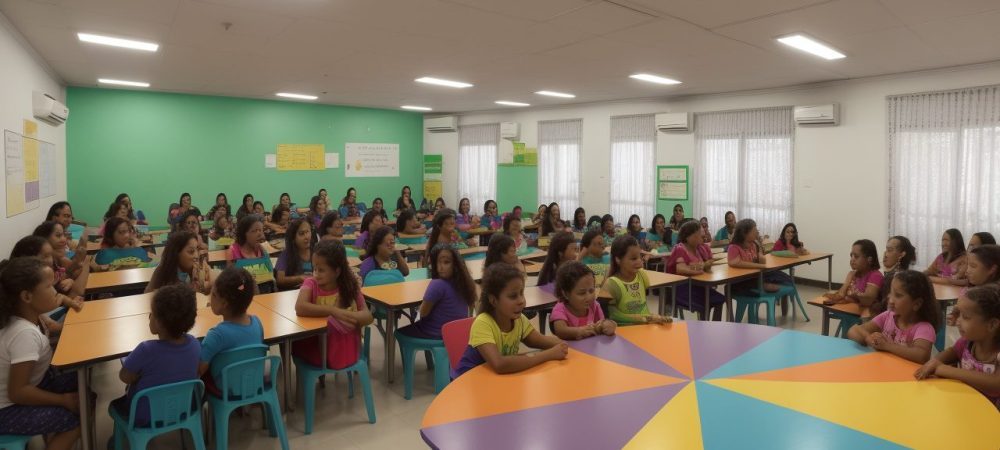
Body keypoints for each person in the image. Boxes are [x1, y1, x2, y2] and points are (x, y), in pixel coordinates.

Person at [0, 258, 82, 450]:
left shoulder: (31, 317)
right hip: (6, 409)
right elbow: (18, 392)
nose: (55, 291)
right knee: (75, 418)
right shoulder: (23, 334)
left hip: (34, 383)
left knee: (84, 390)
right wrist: (63, 400)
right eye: (49, 286)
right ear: (27, 297)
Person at [451, 263, 568, 378]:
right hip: (468, 381)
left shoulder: (519, 320)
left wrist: (562, 345)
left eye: (522, 293)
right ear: (493, 301)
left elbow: (540, 340)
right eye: (513, 296)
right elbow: (500, 365)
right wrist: (548, 355)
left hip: (494, 381)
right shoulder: (483, 323)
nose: (521, 300)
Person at [112, 284, 200, 426]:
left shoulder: (145, 350)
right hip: (182, 409)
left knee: (117, 405)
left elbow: (124, 377)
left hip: (144, 417)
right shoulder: (195, 345)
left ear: (159, 323)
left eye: (151, 313)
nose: (149, 316)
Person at [915, 284, 1000, 409]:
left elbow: (995, 385)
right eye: (959, 315)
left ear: (992, 325)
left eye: (965, 317)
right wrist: (935, 362)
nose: (958, 321)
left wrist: (944, 369)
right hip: (962, 405)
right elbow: (951, 352)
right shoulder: (967, 342)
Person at [293, 240, 373, 369]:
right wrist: (333, 311)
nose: (316, 274)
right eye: (314, 269)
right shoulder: (311, 283)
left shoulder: (349, 286)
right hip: (328, 348)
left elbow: (368, 317)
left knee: (295, 345)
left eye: (321, 270)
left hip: (338, 351)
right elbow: (300, 307)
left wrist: (344, 316)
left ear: (337, 271)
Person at [848, 270, 939, 363]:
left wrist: (886, 346)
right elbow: (853, 330)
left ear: (917, 304)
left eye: (898, 295)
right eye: (891, 293)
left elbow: (922, 355)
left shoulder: (924, 328)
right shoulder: (888, 316)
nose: (891, 300)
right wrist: (868, 338)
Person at [198, 267, 264, 394]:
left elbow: (200, 369)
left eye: (214, 295)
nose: (210, 298)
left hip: (225, 388)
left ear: (224, 303)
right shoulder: (257, 323)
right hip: (252, 381)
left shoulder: (217, 335)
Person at [397, 245, 477, 339]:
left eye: (446, 262)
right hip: (456, 334)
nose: (440, 267)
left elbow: (423, 313)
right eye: (437, 262)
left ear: (456, 264)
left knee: (399, 332)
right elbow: (470, 312)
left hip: (436, 333)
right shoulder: (465, 283)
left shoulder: (437, 284)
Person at [605, 235, 670, 325]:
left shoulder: (642, 275)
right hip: (625, 332)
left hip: (645, 328)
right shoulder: (612, 284)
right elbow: (613, 315)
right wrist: (645, 318)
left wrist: (650, 318)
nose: (639, 261)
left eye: (640, 257)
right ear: (618, 259)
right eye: (634, 258)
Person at [667, 221, 725, 320]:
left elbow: (704, 264)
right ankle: (704, 328)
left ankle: (714, 328)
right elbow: (680, 269)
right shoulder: (680, 249)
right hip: (683, 289)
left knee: (720, 299)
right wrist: (700, 267)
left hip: (697, 286)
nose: (702, 236)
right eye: (698, 234)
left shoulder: (699, 249)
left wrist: (704, 266)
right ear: (688, 237)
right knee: (706, 303)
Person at [549, 261, 616, 340]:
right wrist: (578, 331)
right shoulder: (560, 309)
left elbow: (600, 325)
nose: (588, 297)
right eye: (582, 293)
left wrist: (608, 325)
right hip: (570, 350)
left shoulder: (595, 305)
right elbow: (560, 330)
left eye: (591, 291)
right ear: (566, 294)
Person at [727, 219, 791, 293]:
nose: (757, 232)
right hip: (740, 280)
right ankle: (763, 286)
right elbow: (735, 262)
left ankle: (767, 285)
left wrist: (759, 248)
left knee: (782, 277)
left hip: (754, 276)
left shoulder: (753, 245)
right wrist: (759, 266)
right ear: (744, 234)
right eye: (754, 230)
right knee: (772, 281)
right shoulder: (734, 247)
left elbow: (762, 261)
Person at [146, 231, 212, 294]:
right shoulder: (162, 270)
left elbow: (214, 281)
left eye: (197, 250)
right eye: (191, 251)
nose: (196, 256)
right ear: (176, 253)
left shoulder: (198, 269)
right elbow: (148, 295)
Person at [823, 239, 883, 308]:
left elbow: (868, 301)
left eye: (856, 256)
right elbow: (841, 295)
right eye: (851, 256)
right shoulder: (852, 274)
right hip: (850, 310)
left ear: (869, 259)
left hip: (862, 315)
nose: (852, 259)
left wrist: (853, 297)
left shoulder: (876, 276)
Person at [877, 236, 917, 314]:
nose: (885, 254)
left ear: (901, 254)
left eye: (889, 250)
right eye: (886, 250)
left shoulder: (895, 277)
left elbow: (885, 308)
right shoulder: (903, 274)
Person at [275, 219, 314, 290]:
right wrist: (300, 278)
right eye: (301, 234)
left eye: (308, 232)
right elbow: (280, 280)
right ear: (293, 238)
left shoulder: (317, 252)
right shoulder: (285, 255)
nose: (307, 237)